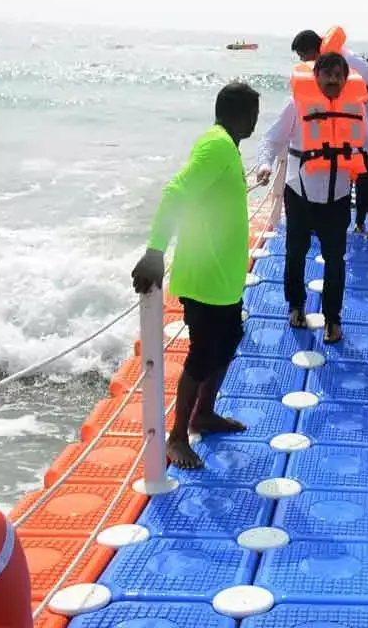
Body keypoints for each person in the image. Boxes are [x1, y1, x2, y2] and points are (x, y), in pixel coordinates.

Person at [131, 82, 260, 469]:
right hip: (205, 275)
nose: (256, 119)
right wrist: (155, 251)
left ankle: (204, 413)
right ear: (237, 113)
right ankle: (176, 435)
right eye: (253, 112)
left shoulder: (226, 146)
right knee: (203, 353)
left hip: (223, 276)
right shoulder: (216, 145)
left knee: (229, 340)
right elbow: (176, 192)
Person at [255, 52, 368, 344]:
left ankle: (333, 318)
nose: (334, 79)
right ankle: (296, 305)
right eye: (328, 74)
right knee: (295, 253)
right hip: (299, 193)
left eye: (339, 74)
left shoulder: (355, 108)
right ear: (317, 76)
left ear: (345, 77)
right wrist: (265, 164)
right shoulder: (296, 105)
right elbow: (272, 140)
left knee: (336, 259)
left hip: (337, 197)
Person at [291, 29, 368, 237]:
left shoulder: (349, 60)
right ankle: (345, 223)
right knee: (338, 175)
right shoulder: (310, 88)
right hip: (336, 134)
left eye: (303, 55)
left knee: (367, 180)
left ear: (313, 51)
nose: (303, 60)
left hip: (361, 126)